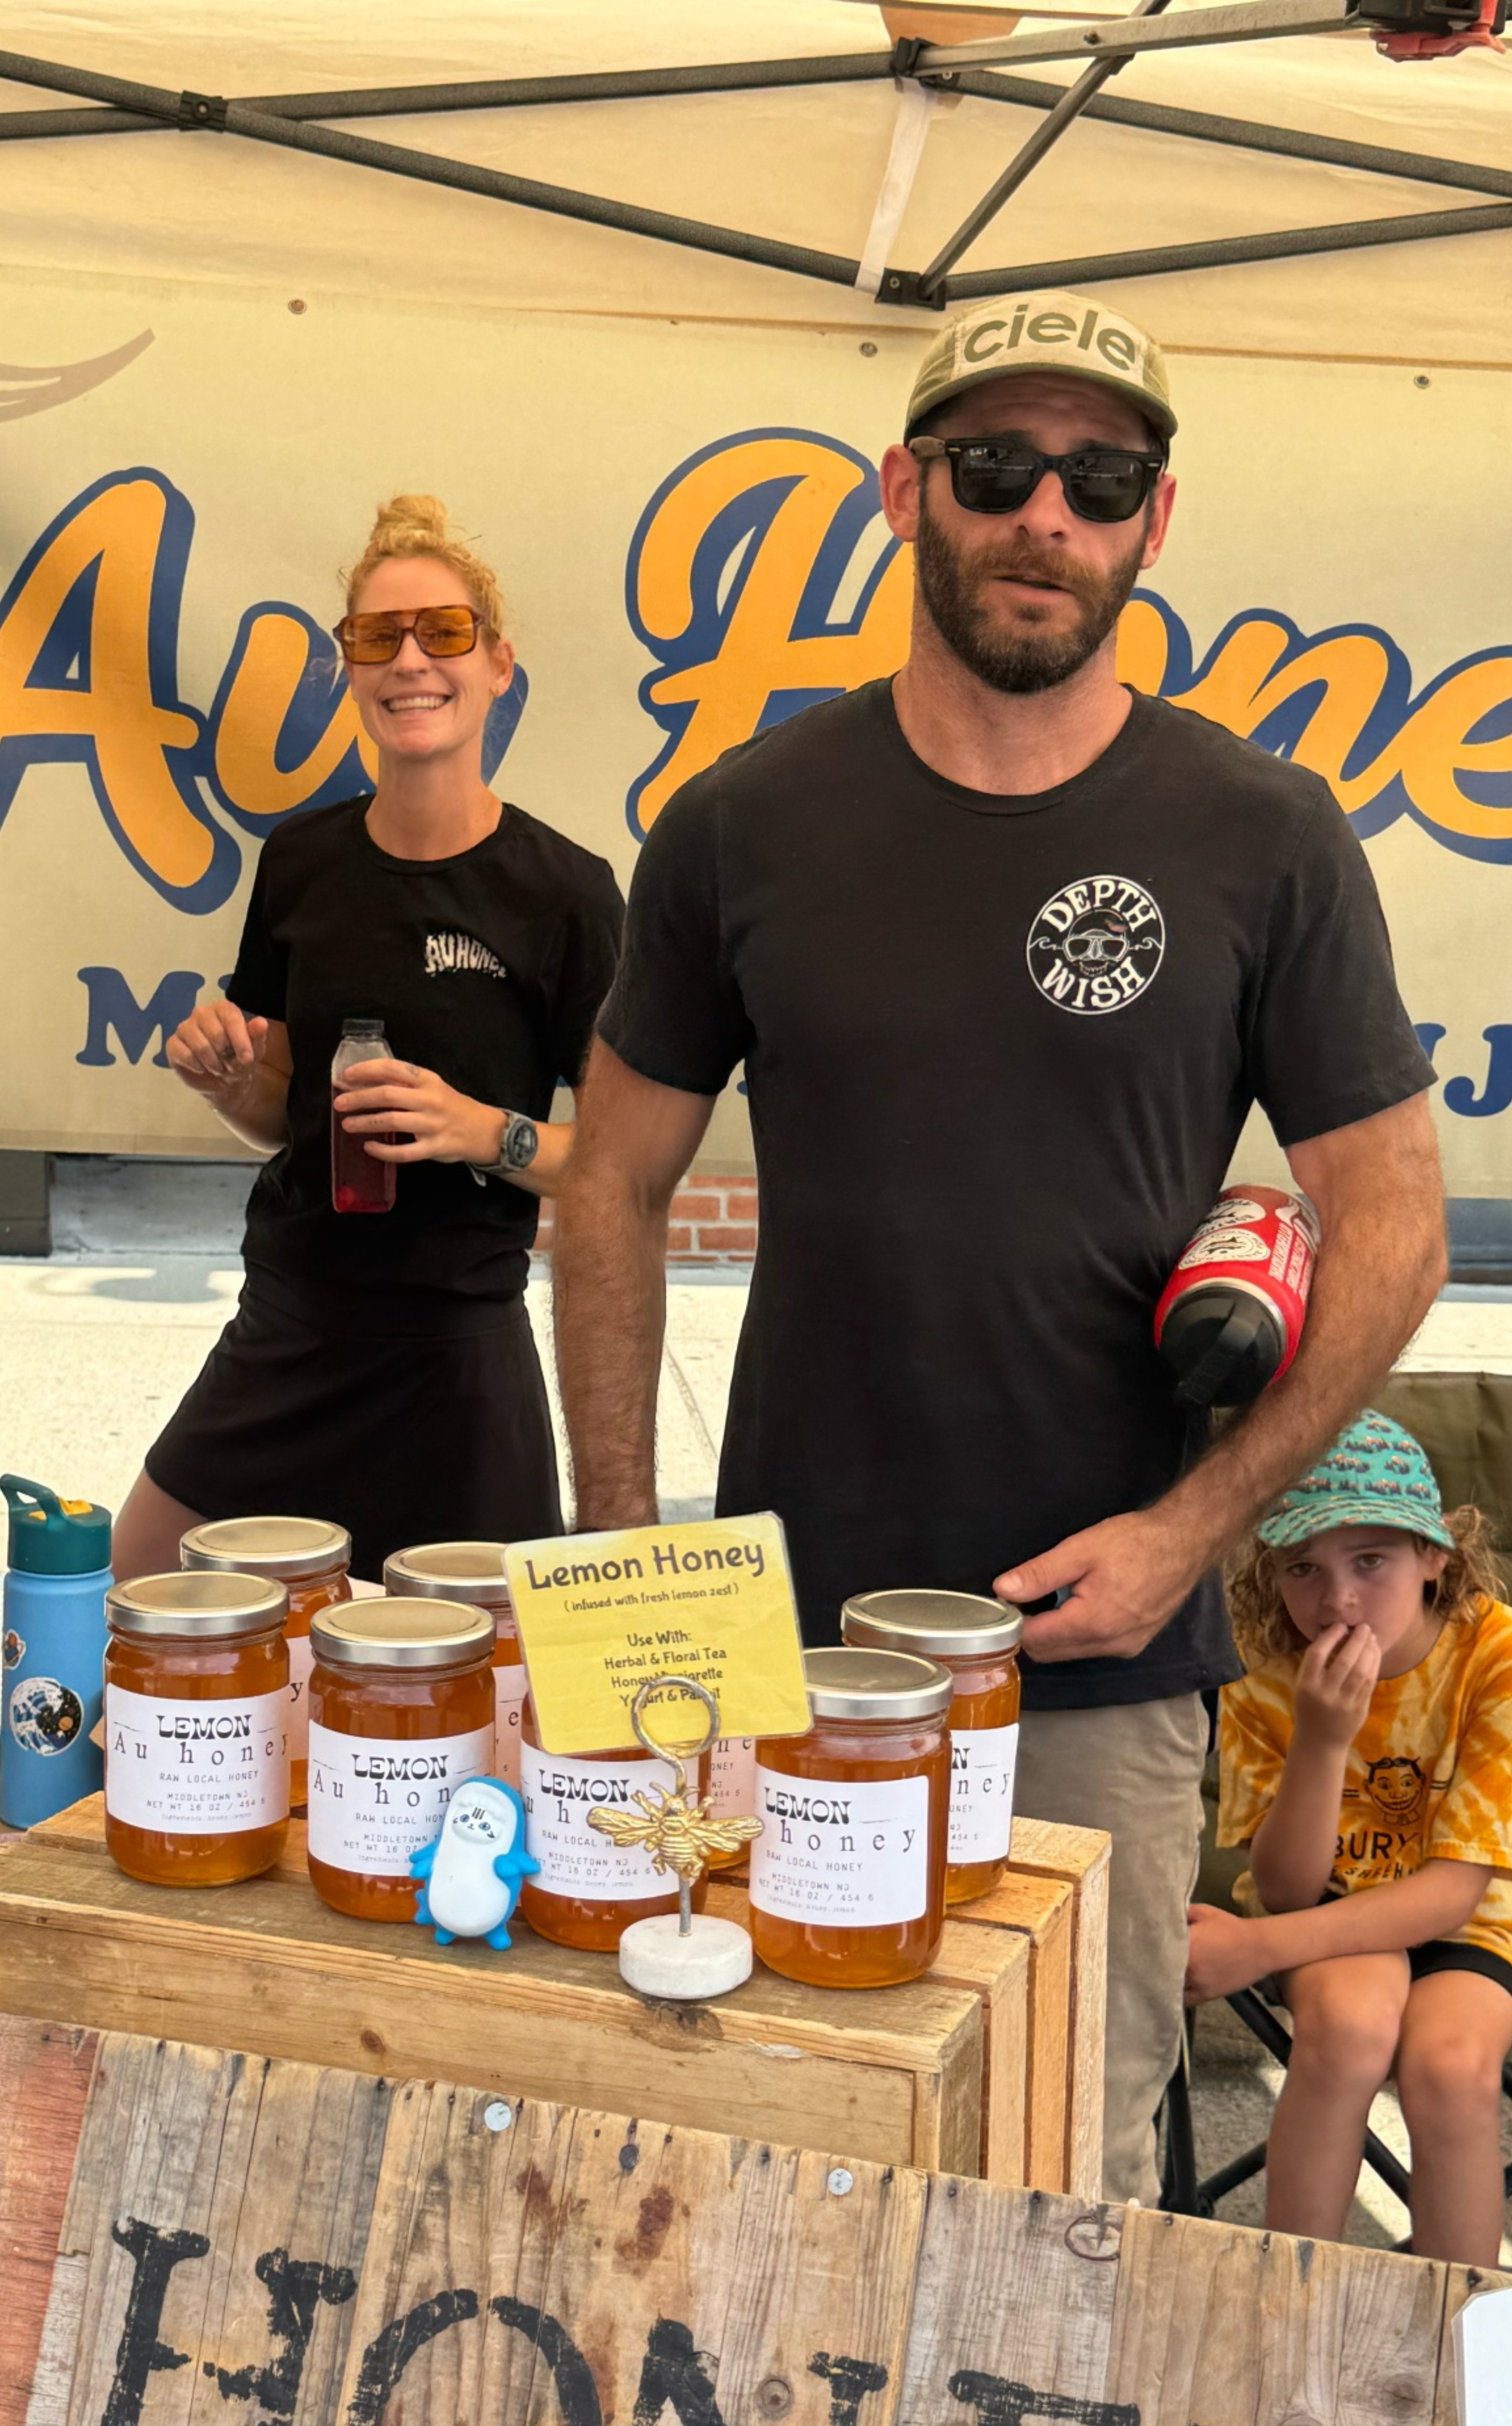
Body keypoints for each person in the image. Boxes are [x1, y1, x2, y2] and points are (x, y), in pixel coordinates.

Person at [551, 289, 1446, 2204]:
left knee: (1064, 2180)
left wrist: (1194, 1533)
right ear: (907, 491)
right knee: (783, 2136)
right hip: (793, 1643)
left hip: (1101, 1668)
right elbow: (608, 1181)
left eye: (1100, 480)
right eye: (996, 465)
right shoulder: (743, 825)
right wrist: (630, 1565)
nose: (1047, 512)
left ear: (1153, 521)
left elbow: (1396, 1224)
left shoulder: (1263, 834)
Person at [113, 494, 623, 1583]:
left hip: (458, 1347)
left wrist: (480, 1130)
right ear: (349, 669)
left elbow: (620, 1167)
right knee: (142, 1579)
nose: (411, 662)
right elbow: (282, 1116)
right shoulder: (301, 862)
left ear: (499, 666)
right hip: (293, 1325)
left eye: (443, 632)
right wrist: (230, 1083)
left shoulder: (567, 895)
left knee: (483, 1660)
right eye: (377, 637)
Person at [1189, 1412, 1512, 2264]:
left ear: (1434, 1556)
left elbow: (1453, 1896)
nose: (1337, 1600)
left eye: (1370, 1560)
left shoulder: (1497, 1658)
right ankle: (1295, 2302)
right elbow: (1289, 1888)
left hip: (1474, 1919)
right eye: (1304, 1567)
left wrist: (1255, 1948)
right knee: (1349, 2026)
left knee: (1453, 2068)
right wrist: (1322, 1739)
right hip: (1328, 1910)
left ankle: (1458, 2325)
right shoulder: (1264, 1668)